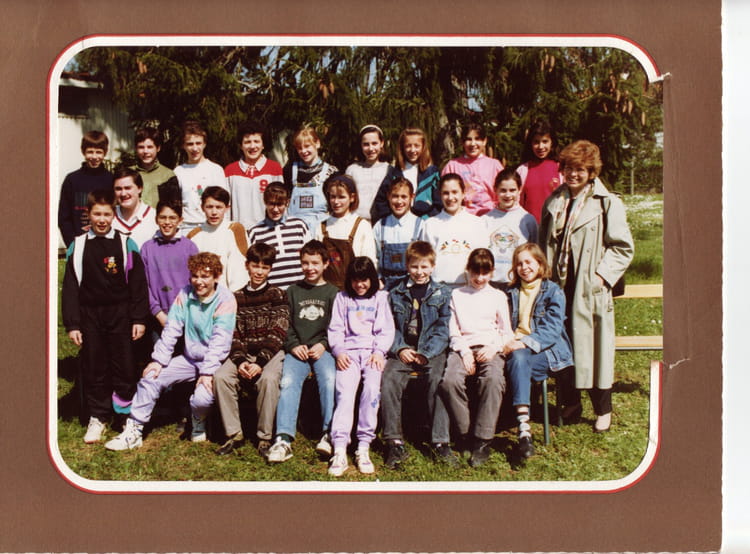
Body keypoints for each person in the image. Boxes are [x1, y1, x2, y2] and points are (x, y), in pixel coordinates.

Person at [538, 140, 634, 433]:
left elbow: (622, 248)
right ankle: (571, 403)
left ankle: (602, 409)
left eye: (580, 169)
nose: (573, 174)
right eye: (568, 168)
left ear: (591, 172)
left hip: (589, 287)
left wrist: (601, 277)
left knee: (595, 349)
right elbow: (543, 243)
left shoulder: (607, 203)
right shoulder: (554, 200)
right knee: (564, 345)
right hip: (560, 286)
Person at [104, 252, 237, 450]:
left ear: (216, 277)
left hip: (214, 362)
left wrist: (208, 372)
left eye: (205, 276)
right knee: (150, 377)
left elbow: (220, 341)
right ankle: (134, 430)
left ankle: (198, 418)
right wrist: (158, 361)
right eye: (195, 276)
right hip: (190, 359)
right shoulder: (185, 294)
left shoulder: (225, 299)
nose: (199, 281)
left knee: (202, 399)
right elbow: (172, 328)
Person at [61, 188, 148, 443]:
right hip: (90, 315)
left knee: (124, 366)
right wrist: (73, 324)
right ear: (88, 214)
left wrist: (139, 319)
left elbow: (138, 285)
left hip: (120, 313)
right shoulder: (77, 246)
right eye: (97, 214)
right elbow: (70, 288)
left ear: (114, 215)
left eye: (106, 214)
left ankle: (124, 414)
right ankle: (97, 415)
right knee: (94, 365)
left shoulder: (125, 243)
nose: (101, 219)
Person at [380, 241, 454, 469]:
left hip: (432, 350)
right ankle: (394, 441)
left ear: (432, 266)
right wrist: (400, 348)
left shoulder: (443, 293)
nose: (419, 272)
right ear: (407, 266)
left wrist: (427, 352)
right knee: (389, 379)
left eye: (424, 267)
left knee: (438, 380)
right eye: (414, 267)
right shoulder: (395, 292)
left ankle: (440, 441)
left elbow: (443, 328)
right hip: (404, 349)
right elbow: (389, 326)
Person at [213, 242, 290, 459]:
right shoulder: (236, 297)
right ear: (247, 266)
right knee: (221, 377)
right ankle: (234, 433)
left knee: (268, 379)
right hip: (244, 353)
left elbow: (278, 332)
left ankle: (264, 437)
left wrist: (260, 362)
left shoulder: (278, 294)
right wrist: (240, 361)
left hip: (270, 353)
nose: (259, 272)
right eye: (255, 266)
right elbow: (233, 333)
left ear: (270, 269)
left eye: (265, 267)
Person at [265, 240, 338, 463]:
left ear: (325, 264)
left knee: (329, 379)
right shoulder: (292, 291)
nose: (310, 268)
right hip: (297, 351)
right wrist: (293, 345)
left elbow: (337, 326)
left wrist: (324, 344)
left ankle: (329, 433)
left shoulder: (333, 293)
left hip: (322, 350)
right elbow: (284, 324)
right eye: (305, 263)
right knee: (287, 381)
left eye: (315, 263)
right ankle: (283, 438)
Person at [440, 248, 512, 467]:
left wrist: (493, 347)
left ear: (492, 272)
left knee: (493, 379)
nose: (479, 278)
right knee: (450, 381)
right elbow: (454, 331)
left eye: (485, 273)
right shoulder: (456, 295)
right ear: (467, 270)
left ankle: (482, 439)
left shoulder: (498, 296)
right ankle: (464, 433)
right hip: (462, 347)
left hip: (489, 347)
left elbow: (506, 332)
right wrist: (464, 353)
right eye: (475, 272)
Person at [503, 243, 573, 459]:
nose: (524, 268)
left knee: (518, 360)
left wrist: (524, 343)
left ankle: (523, 428)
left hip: (546, 350)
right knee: (511, 362)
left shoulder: (552, 291)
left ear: (540, 263)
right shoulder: (510, 292)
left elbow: (551, 329)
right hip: (513, 348)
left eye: (529, 262)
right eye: (519, 264)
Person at [326, 257, 395, 476]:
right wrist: (339, 351)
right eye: (355, 280)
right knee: (344, 394)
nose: (360, 285)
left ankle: (363, 446)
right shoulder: (342, 298)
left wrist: (379, 351)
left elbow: (386, 330)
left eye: (364, 280)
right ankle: (339, 448)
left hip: (372, 354)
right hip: (348, 353)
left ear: (372, 279)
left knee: (371, 391)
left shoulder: (381, 298)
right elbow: (336, 329)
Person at [139, 199, 199, 333]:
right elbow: (143, 285)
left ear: (180, 220)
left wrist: (186, 311)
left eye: (172, 218)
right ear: (156, 219)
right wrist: (158, 313)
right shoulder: (147, 248)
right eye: (163, 217)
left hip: (186, 316)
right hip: (157, 318)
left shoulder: (190, 247)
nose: (167, 222)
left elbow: (197, 281)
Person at [419, 173, 487, 288]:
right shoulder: (430, 224)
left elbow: (483, 260)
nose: (450, 198)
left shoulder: (478, 223)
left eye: (455, 192)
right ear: (440, 195)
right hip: (439, 288)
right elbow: (424, 259)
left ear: (463, 193)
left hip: (470, 287)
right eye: (446, 193)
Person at [315, 174, 377, 289]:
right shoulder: (321, 226)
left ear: (352, 197)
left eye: (341, 197)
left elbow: (369, 261)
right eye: (333, 197)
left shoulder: (362, 225)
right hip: (327, 289)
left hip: (354, 289)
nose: (336, 202)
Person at [246, 182, 310, 290]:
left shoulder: (299, 225)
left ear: (287, 202)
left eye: (279, 204)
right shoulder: (255, 232)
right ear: (265, 202)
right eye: (272, 204)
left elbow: (310, 257)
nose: (275, 209)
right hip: (272, 293)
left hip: (300, 290)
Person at [371, 127, 441, 222]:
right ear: (402, 148)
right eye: (408, 146)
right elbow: (381, 200)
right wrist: (391, 219)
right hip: (399, 224)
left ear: (423, 147)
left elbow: (439, 203)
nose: (412, 150)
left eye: (417, 146)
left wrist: (429, 219)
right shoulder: (394, 173)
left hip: (426, 223)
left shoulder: (432, 173)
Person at [186, 187, 249, 292]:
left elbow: (239, 270)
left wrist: (234, 296)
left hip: (230, 296)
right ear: (202, 207)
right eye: (209, 207)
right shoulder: (194, 236)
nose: (214, 212)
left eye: (219, 207)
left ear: (227, 208)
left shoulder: (235, 229)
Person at [58, 130, 114, 246]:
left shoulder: (111, 180)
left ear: (105, 152)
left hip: (107, 244)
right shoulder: (72, 180)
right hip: (79, 242)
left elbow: (116, 213)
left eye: (99, 152)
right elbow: (64, 218)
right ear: (83, 151)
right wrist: (73, 245)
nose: (94, 157)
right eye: (90, 152)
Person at [224, 121, 283, 230]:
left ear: (263, 144)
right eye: (247, 142)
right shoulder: (230, 171)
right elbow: (226, 206)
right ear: (241, 145)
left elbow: (280, 202)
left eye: (256, 141)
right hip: (240, 231)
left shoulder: (274, 168)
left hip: (268, 230)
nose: (252, 146)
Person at [483, 168, 538, 285]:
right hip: (490, 282)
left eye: (512, 190)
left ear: (519, 190)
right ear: (495, 190)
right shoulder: (485, 220)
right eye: (503, 190)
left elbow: (535, 255)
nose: (508, 195)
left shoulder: (528, 220)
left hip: (517, 282)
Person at [174, 120, 228, 231]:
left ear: (204, 144)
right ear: (183, 146)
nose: (195, 148)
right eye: (190, 144)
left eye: (198, 143)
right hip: (186, 227)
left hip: (212, 226)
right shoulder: (178, 172)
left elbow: (224, 202)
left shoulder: (215, 170)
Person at [441, 123, 504, 216]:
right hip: (463, 217)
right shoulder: (452, 166)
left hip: (490, 216)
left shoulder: (494, 165)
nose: (473, 143)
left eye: (477, 139)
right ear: (462, 142)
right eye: (468, 139)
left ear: (484, 141)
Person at [283, 126, 338, 232]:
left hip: (321, 228)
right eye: (299, 148)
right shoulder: (289, 170)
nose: (304, 151)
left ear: (317, 144)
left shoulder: (331, 172)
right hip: (294, 228)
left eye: (307, 146)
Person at [372, 177, 424, 289]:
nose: (399, 201)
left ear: (412, 197)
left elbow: (425, 259)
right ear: (388, 197)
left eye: (404, 197)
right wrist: (378, 279)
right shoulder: (380, 226)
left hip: (412, 284)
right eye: (395, 196)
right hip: (385, 285)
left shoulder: (420, 225)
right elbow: (374, 257)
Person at [345, 124, 396, 221]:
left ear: (381, 143)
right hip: (356, 222)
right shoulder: (352, 170)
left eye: (374, 143)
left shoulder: (389, 170)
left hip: (382, 222)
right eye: (366, 144)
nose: (371, 148)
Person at [517, 120, 563, 223]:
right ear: (530, 144)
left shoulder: (561, 169)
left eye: (545, 141)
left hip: (553, 226)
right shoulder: (523, 170)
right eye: (536, 142)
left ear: (552, 142)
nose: (541, 146)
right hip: (528, 226)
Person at [111, 167, 159, 249]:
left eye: (128, 188)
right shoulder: (108, 217)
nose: (123, 193)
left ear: (139, 188)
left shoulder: (154, 217)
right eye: (118, 189)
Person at [130, 127, 176, 208]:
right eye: (141, 147)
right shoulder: (128, 173)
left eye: (150, 147)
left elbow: (173, 206)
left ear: (158, 148)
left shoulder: (168, 175)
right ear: (136, 149)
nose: (145, 151)